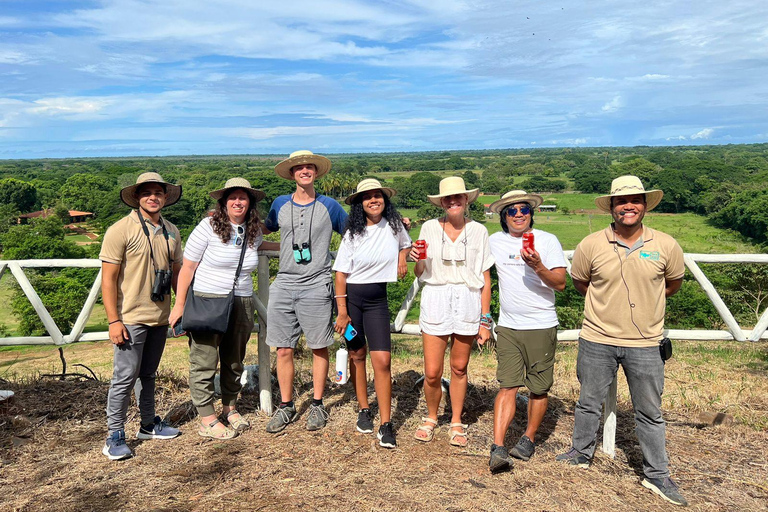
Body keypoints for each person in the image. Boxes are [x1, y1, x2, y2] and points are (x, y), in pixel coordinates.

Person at [556, 175, 688, 507]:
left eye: (635, 200)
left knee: (650, 411)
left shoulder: (665, 245)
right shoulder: (591, 245)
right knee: (588, 402)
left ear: (644, 205)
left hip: (645, 342)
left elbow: (672, 284)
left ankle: (657, 473)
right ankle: (580, 453)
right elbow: (581, 283)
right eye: (621, 201)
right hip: (597, 337)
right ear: (611, 207)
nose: (628, 206)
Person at [169, 178, 279, 439]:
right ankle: (207, 417)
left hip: (242, 301)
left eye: (243, 197)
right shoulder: (207, 227)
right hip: (208, 299)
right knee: (204, 360)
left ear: (250, 203)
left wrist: (297, 248)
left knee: (234, 360)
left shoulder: (253, 231)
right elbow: (188, 268)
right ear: (224, 202)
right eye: (233, 197)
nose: (238, 202)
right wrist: (180, 305)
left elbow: (260, 247)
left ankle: (230, 407)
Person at [100, 172, 183, 460]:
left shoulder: (171, 230)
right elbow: (108, 280)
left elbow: (177, 274)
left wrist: (182, 307)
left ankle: (148, 424)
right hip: (130, 317)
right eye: (147, 192)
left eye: (158, 192)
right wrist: (114, 320)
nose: (153, 197)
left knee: (148, 374)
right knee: (124, 377)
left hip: (159, 316)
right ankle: (114, 434)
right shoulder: (120, 230)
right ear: (137, 197)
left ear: (165, 196)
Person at [264, 150, 348, 433]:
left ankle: (317, 403)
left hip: (317, 281)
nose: (304, 171)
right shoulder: (279, 204)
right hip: (285, 282)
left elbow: (354, 232)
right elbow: (263, 228)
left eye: (309, 167)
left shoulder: (330, 206)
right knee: (283, 347)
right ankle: (286, 406)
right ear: (291, 173)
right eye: (299, 167)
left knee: (318, 346)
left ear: (316, 172)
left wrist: (395, 228)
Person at [409, 176, 494, 447]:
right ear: (442, 202)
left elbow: (485, 278)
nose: (453, 201)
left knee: (459, 367)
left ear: (466, 200)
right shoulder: (429, 229)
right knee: (432, 371)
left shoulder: (479, 231)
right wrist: (418, 259)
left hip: (468, 299)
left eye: (458, 197)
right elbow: (420, 272)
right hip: (436, 298)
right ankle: (432, 416)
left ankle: (456, 420)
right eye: (448, 198)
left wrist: (485, 320)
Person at [487, 190, 566, 472]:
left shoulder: (547, 240)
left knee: (538, 387)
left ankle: (529, 437)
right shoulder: (494, 241)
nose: (518, 214)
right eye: (512, 210)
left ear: (531, 214)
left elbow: (560, 283)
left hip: (541, 324)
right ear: (503, 217)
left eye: (524, 209)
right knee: (507, 384)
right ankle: (497, 447)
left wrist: (537, 266)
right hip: (508, 325)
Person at [332, 178, 412, 449]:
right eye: (367, 197)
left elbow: (406, 244)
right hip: (351, 299)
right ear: (360, 204)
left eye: (378, 196)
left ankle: (386, 424)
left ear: (384, 200)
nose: (373, 200)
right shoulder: (353, 234)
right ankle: (364, 408)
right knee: (357, 355)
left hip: (378, 298)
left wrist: (403, 258)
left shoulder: (394, 225)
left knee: (383, 360)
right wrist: (342, 312)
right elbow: (340, 274)